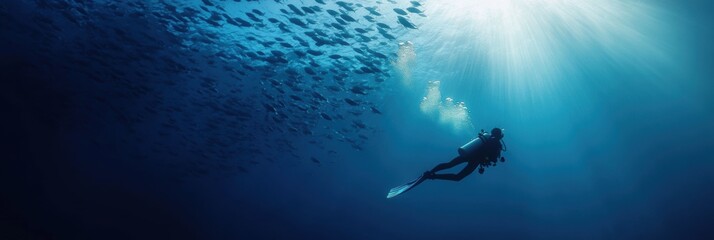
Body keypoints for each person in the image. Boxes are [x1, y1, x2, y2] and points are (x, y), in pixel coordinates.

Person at [423, 128, 506, 181]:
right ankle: (432, 176)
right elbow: (494, 159)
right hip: (476, 161)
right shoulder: (498, 144)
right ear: (500, 136)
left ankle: (430, 172)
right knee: (458, 177)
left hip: (469, 153)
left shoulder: (485, 137)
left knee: (449, 164)